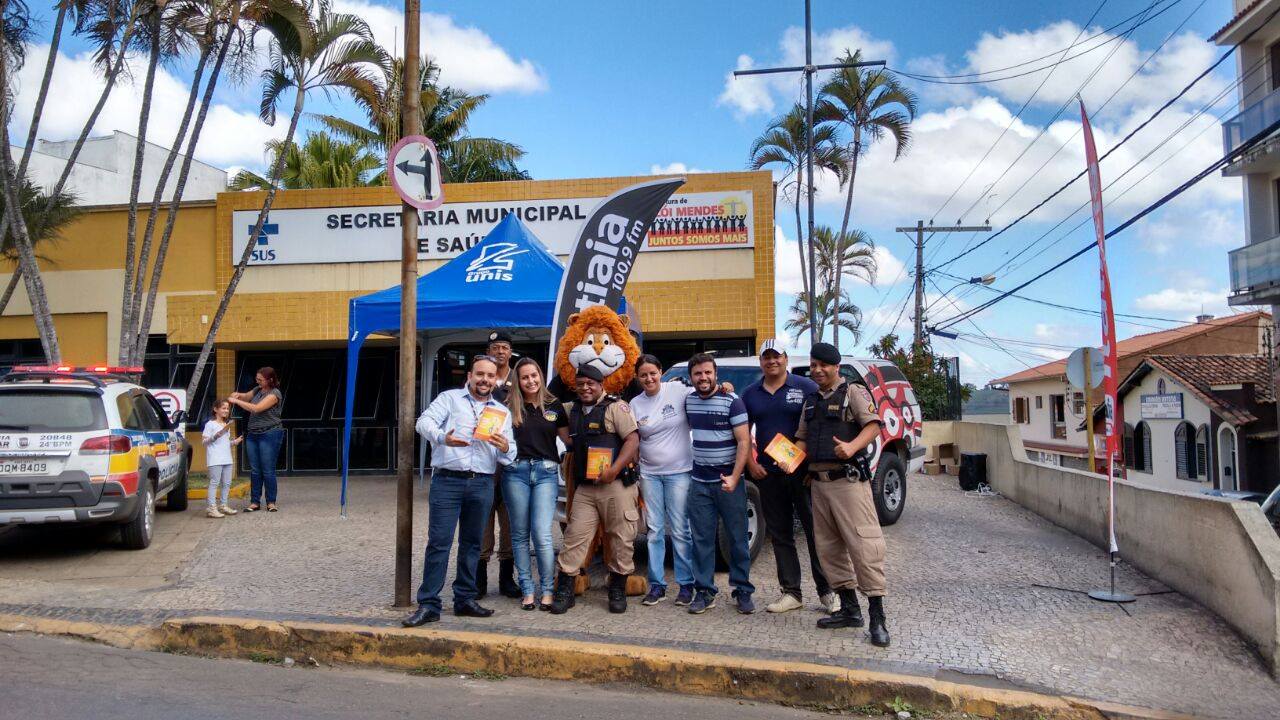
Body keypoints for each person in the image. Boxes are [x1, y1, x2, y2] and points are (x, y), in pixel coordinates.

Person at [404, 354, 517, 627]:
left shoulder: (501, 412)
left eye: (490, 376)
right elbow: (423, 423)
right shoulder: (450, 399)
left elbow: (510, 454)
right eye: (480, 374)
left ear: (496, 380)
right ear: (470, 376)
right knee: (439, 543)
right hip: (448, 481)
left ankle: (464, 599)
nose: (484, 380)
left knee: (472, 543)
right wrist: (443, 438)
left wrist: (504, 446)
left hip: (482, 482)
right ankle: (429, 604)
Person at [795, 342, 889, 647]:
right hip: (818, 484)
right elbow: (802, 439)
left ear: (836, 367)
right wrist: (788, 458)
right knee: (829, 550)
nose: (818, 370)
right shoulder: (810, 401)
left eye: (824, 365)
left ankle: (877, 618)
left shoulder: (853, 392)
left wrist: (851, 447)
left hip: (848, 483)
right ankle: (850, 610)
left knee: (864, 546)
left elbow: (873, 426)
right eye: (814, 365)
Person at [741, 340, 836, 614]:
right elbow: (743, 434)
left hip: (803, 474)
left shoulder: (805, 387)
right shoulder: (751, 394)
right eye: (766, 357)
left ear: (786, 358)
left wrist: (812, 466)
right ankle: (791, 592)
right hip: (768, 474)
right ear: (760, 362)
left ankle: (828, 591)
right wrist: (752, 464)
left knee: (816, 533)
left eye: (777, 356)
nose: (772, 361)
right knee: (781, 534)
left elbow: (820, 427)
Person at [548, 364, 641, 615]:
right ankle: (565, 589)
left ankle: (618, 589)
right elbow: (552, 413)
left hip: (616, 485)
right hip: (586, 489)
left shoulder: (616, 408)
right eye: (580, 384)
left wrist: (614, 469)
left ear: (601, 385)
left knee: (621, 538)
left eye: (591, 384)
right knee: (574, 537)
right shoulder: (572, 409)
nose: (585, 388)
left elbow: (632, 439)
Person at [684, 353, 754, 615]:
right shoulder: (688, 400)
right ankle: (704, 591)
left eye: (707, 372)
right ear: (691, 377)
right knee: (701, 540)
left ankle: (742, 590)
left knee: (737, 537)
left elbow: (744, 442)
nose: (703, 377)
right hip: (699, 481)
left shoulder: (732, 401)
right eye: (698, 373)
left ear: (716, 374)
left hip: (729, 481)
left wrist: (735, 477)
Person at [503, 357, 569, 611]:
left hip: (546, 472)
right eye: (525, 377)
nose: (531, 381)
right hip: (515, 472)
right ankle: (527, 590)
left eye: (534, 375)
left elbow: (569, 441)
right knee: (519, 534)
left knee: (541, 533)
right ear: (517, 381)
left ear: (540, 376)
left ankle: (548, 590)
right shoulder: (507, 406)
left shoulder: (554, 404)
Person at [630, 354, 696, 607]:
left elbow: (705, 394)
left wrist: (726, 388)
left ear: (660, 372)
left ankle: (686, 584)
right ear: (637, 378)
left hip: (679, 472)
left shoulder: (678, 390)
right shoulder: (635, 403)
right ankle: (657, 585)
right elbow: (633, 439)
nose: (649, 379)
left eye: (653, 373)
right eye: (643, 375)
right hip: (649, 474)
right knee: (654, 530)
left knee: (680, 529)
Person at [477, 330, 519, 599]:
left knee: (510, 522)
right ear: (488, 351)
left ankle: (507, 578)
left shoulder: (520, 377)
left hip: (512, 459)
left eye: (504, 347)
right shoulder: (482, 379)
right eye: (495, 347)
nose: (500, 351)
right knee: (482, 520)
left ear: (510, 351)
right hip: (483, 460)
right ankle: (478, 579)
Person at [228, 367, 283, 513]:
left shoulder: (274, 393)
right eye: (257, 379)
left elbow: (257, 408)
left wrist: (236, 401)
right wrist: (238, 395)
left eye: (260, 379)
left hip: (270, 434)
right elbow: (246, 397)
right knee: (255, 470)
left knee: (268, 469)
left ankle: (271, 502)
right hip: (253, 434)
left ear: (270, 380)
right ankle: (254, 502)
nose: (257, 381)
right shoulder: (258, 389)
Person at [201, 399, 242, 519]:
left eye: (228, 408)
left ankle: (223, 505)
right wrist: (215, 436)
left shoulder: (226, 425)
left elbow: (225, 443)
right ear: (216, 409)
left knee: (227, 483)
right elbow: (204, 442)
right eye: (223, 408)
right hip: (215, 459)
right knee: (214, 482)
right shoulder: (210, 424)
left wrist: (235, 442)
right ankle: (211, 508)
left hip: (227, 458)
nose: (226, 410)